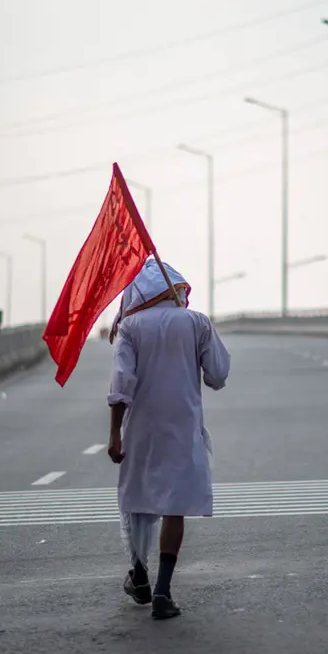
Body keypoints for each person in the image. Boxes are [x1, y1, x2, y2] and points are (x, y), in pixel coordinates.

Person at [106, 258, 231, 620]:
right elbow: (218, 375)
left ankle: (140, 575)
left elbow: (121, 384)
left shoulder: (129, 327)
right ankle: (163, 590)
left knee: (137, 500)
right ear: (175, 290)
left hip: (140, 426)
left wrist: (115, 433)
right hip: (183, 426)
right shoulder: (196, 323)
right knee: (175, 504)